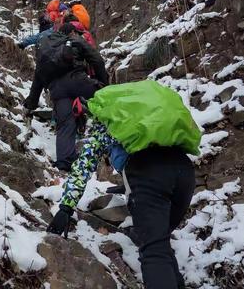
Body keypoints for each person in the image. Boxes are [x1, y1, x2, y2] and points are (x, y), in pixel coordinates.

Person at [47, 80, 201, 289]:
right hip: (183, 170)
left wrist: (65, 207)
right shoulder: (144, 119)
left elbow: (84, 166)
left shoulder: (106, 125)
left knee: (153, 251)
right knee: (159, 244)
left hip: (146, 172)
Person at [23, 22, 109, 171]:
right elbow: (97, 60)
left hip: (57, 91)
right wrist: (104, 85)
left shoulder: (46, 51)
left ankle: (64, 161)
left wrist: (30, 105)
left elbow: (37, 81)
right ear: (72, 32)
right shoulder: (73, 41)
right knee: (107, 101)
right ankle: (120, 141)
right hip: (77, 80)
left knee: (65, 124)